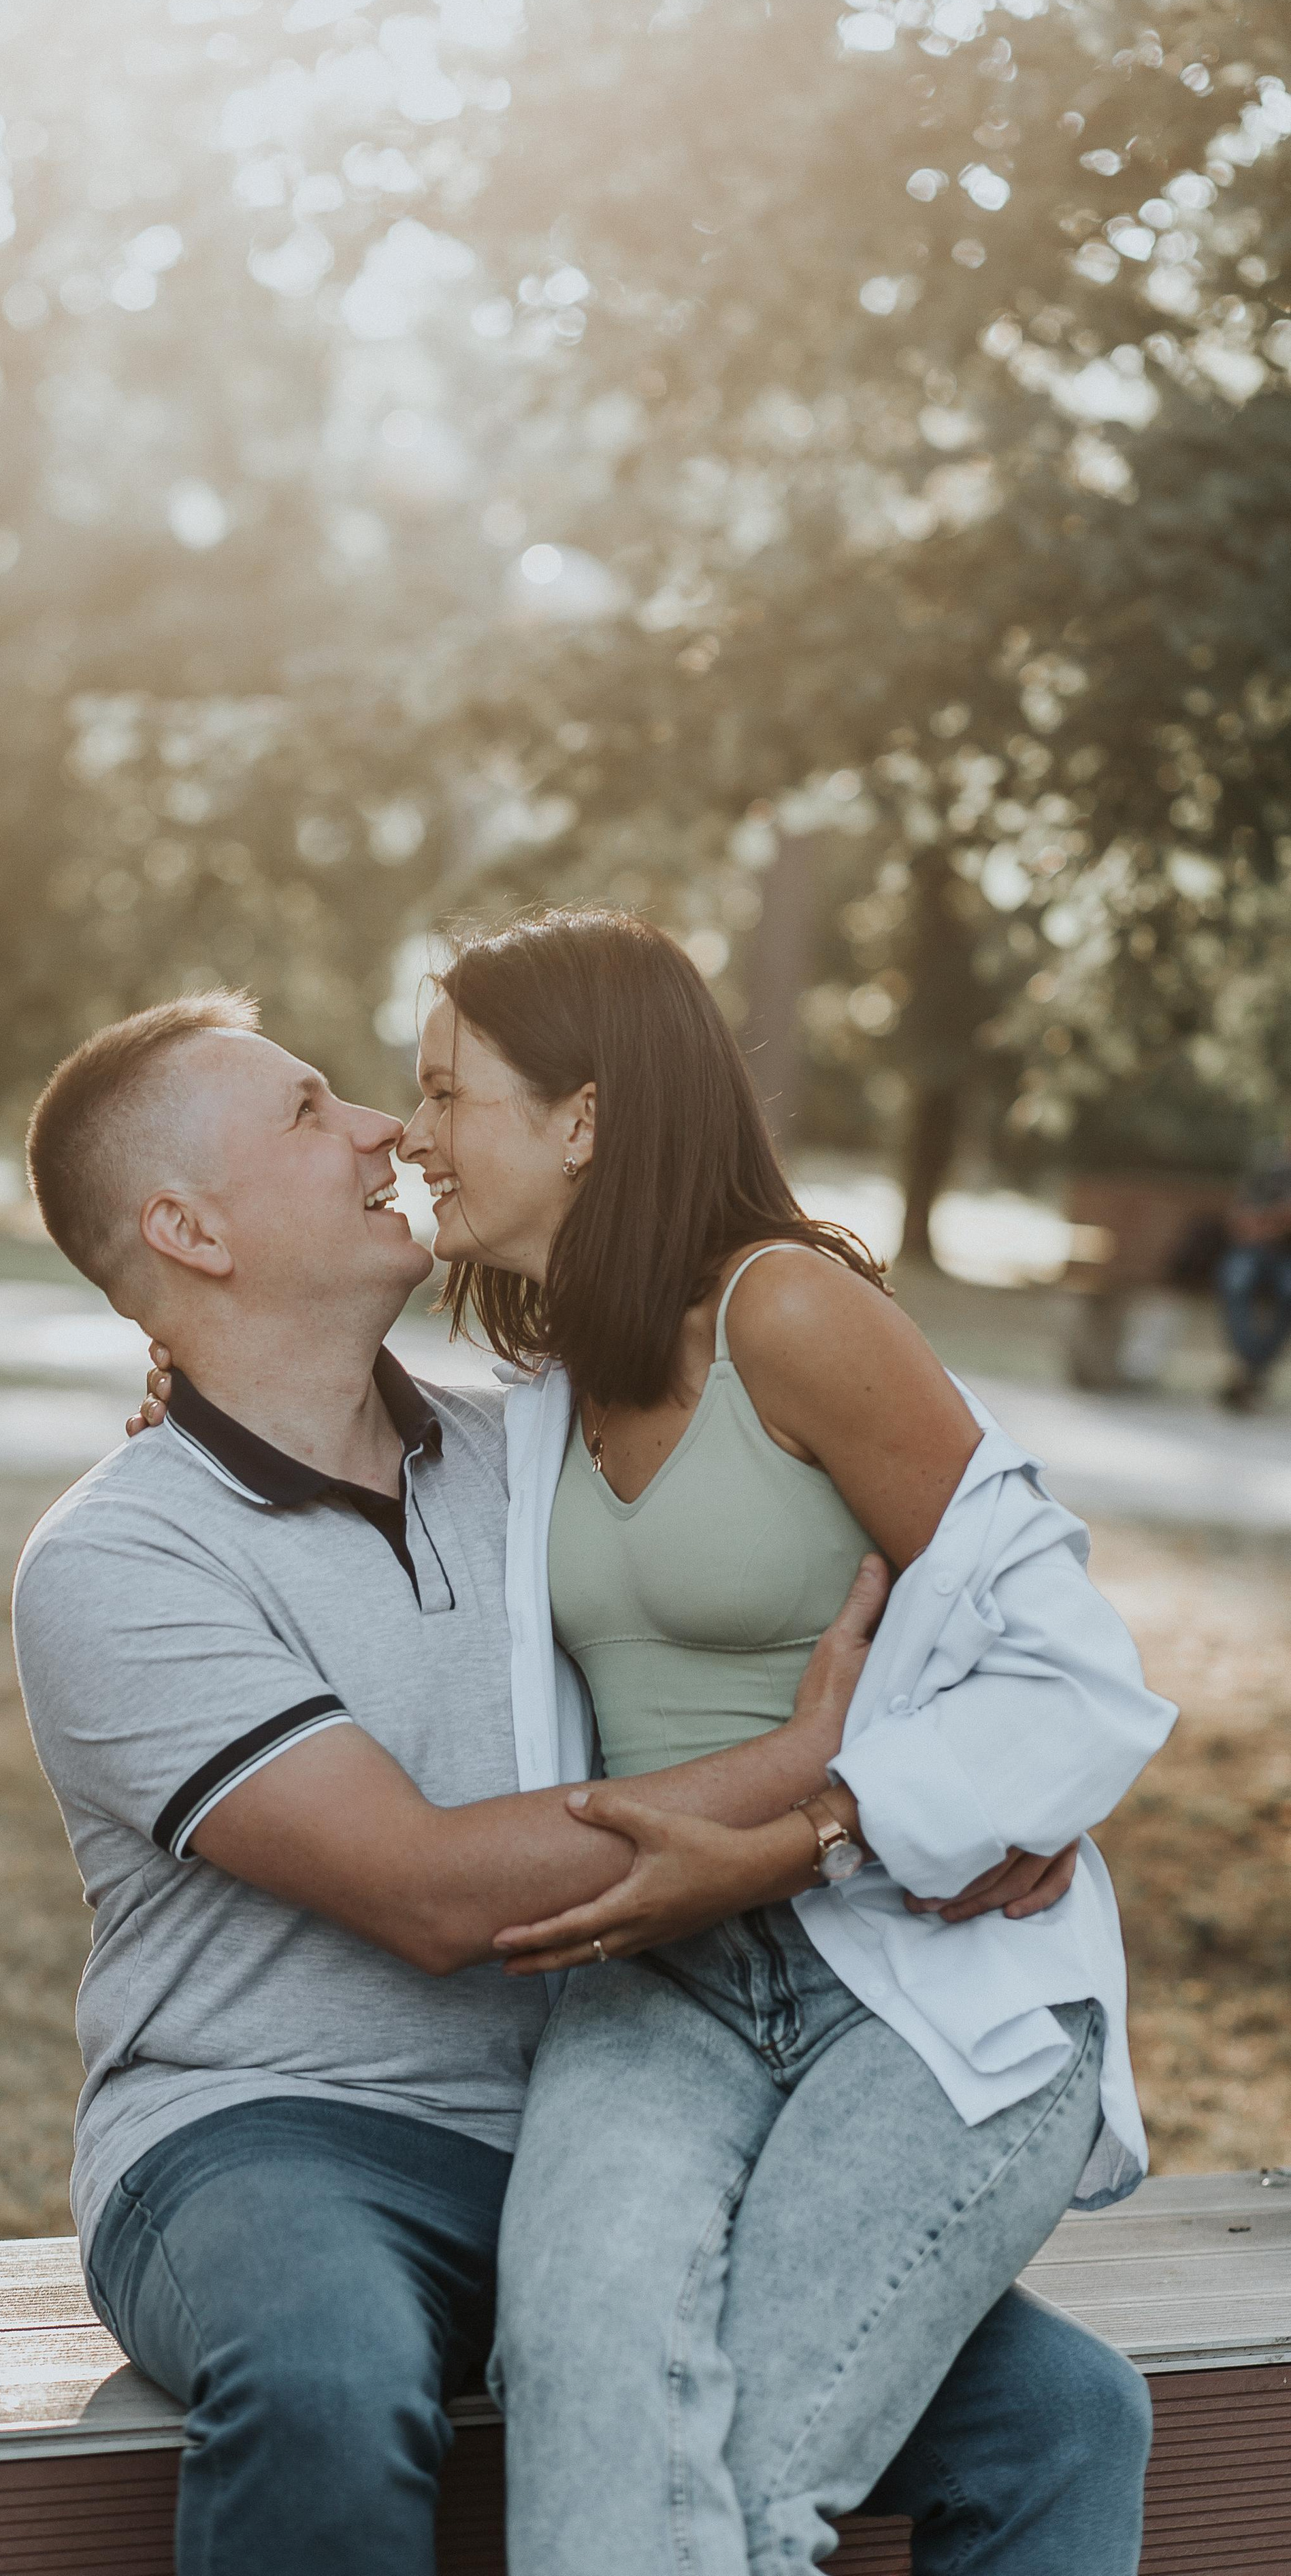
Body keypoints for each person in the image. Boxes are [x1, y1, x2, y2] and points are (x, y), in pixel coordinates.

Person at [14, 987, 1159, 2576]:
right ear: (185, 1229)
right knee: (330, 2378)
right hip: (266, 2134)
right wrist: (818, 1773)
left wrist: (974, 1784)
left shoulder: (533, 1459)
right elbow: (420, 1890)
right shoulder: (119, 1559)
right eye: (306, 1110)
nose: (379, 1128)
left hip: (589, 2115)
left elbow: (941, 1599)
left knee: (1063, 2413)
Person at [389, 904, 1175, 2576]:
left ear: (583, 1117)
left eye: (449, 1092)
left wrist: (813, 1827)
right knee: (597, 2429)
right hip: (656, 1989)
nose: (412, 1132)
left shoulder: (790, 1318)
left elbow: (1072, 1672)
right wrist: (185, 1368)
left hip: (916, 1976)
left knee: (738, 2483)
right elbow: (319, 1424)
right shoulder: (536, 1400)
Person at [1216, 1135, 1291, 1411]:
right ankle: (1253, 1366)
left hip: (1286, 1257)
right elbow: (1239, 1221)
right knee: (1236, 1279)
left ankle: (1248, 1370)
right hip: (1252, 1251)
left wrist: (1268, 1223)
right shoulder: (1266, 1176)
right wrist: (1275, 1222)